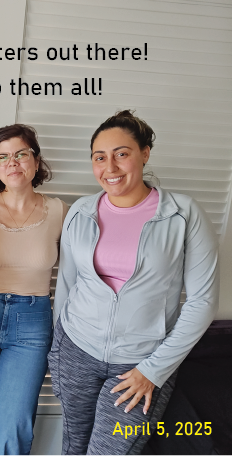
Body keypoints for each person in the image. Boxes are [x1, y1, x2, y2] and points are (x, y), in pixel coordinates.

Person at [49, 110, 219, 456]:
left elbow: (202, 301)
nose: (110, 167)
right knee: (73, 446)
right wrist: (58, 347)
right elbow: (66, 283)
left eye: (121, 154)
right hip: (76, 351)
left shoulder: (183, 214)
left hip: (140, 364)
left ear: (145, 153)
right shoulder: (81, 211)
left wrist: (153, 371)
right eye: (99, 157)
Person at [0, 124, 68, 455]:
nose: (12, 162)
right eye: (3, 156)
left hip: (32, 322)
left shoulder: (60, 212)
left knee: (11, 423)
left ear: (36, 160)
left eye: (21, 154)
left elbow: (81, 272)